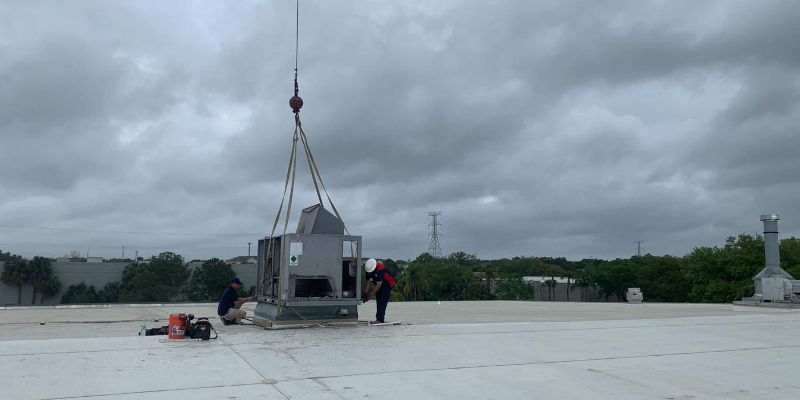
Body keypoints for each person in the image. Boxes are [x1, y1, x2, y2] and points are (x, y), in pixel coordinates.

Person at [363, 259, 396, 324]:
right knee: (378, 299)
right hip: (379, 283)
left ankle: (380, 319)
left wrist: (370, 295)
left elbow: (379, 284)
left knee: (382, 301)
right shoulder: (368, 269)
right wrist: (365, 293)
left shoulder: (380, 268)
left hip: (387, 284)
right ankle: (378, 318)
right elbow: (368, 282)